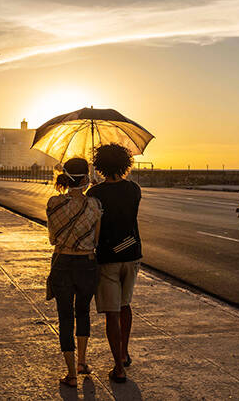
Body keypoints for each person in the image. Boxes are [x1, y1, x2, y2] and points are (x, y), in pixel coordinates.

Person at [86, 144, 142, 383]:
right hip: (131, 252)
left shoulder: (94, 194)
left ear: (99, 166)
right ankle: (125, 352)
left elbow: (92, 226)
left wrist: (93, 188)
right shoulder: (134, 189)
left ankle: (118, 367)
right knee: (125, 305)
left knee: (112, 312)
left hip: (108, 256)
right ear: (125, 163)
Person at [46, 158, 102, 387]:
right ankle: (82, 362)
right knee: (83, 313)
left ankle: (70, 374)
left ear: (66, 178)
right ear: (87, 179)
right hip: (86, 264)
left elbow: (51, 237)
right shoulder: (95, 205)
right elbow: (96, 240)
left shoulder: (53, 203)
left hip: (62, 263)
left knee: (65, 317)